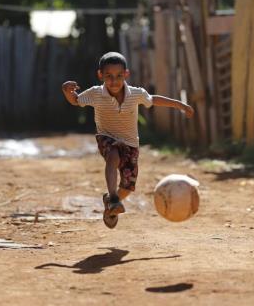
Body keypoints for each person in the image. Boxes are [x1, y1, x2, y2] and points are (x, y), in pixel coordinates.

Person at [62, 52, 194, 229]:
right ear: (100, 75)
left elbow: (153, 100)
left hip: (131, 143)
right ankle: (114, 197)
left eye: (118, 76)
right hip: (106, 137)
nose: (114, 81)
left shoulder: (135, 94)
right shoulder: (95, 94)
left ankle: (110, 202)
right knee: (113, 155)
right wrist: (67, 92)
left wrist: (180, 105)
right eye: (108, 76)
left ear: (126, 74)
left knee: (128, 186)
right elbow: (76, 101)